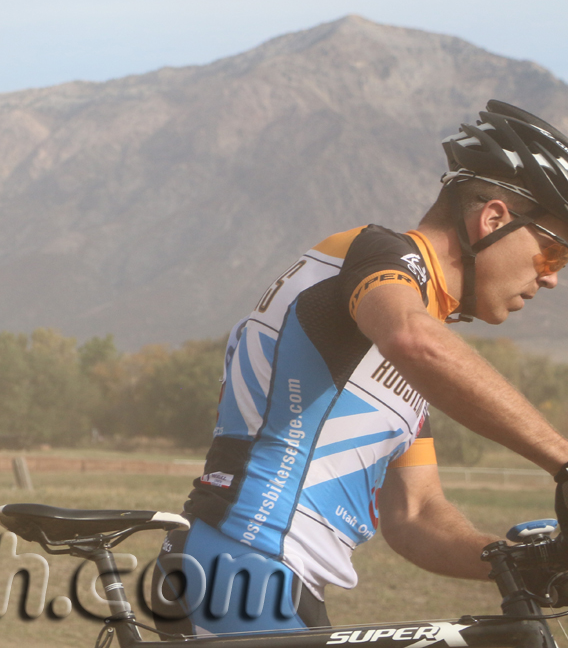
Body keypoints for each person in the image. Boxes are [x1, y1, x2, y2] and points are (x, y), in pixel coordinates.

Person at [151, 101, 568, 636]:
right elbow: (411, 338)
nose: (552, 279)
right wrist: (561, 458)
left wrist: (517, 562)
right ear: (492, 219)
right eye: (551, 255)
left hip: (274, 577)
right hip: (242, 558)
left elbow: (416, 516)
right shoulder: (377, 258)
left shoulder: (405, 346)